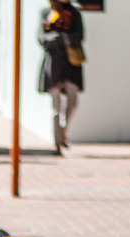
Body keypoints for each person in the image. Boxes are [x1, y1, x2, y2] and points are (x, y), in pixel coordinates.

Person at [38, 0, 84, 152]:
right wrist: (60, 38)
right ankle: (57, 141)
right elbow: (41, 37)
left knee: (73, 100)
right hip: (53, 61)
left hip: (71, 62)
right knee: (56, 105)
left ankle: (63, 130)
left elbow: (79, 35)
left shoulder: (74, 12)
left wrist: (60, 38)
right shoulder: (47, 12)